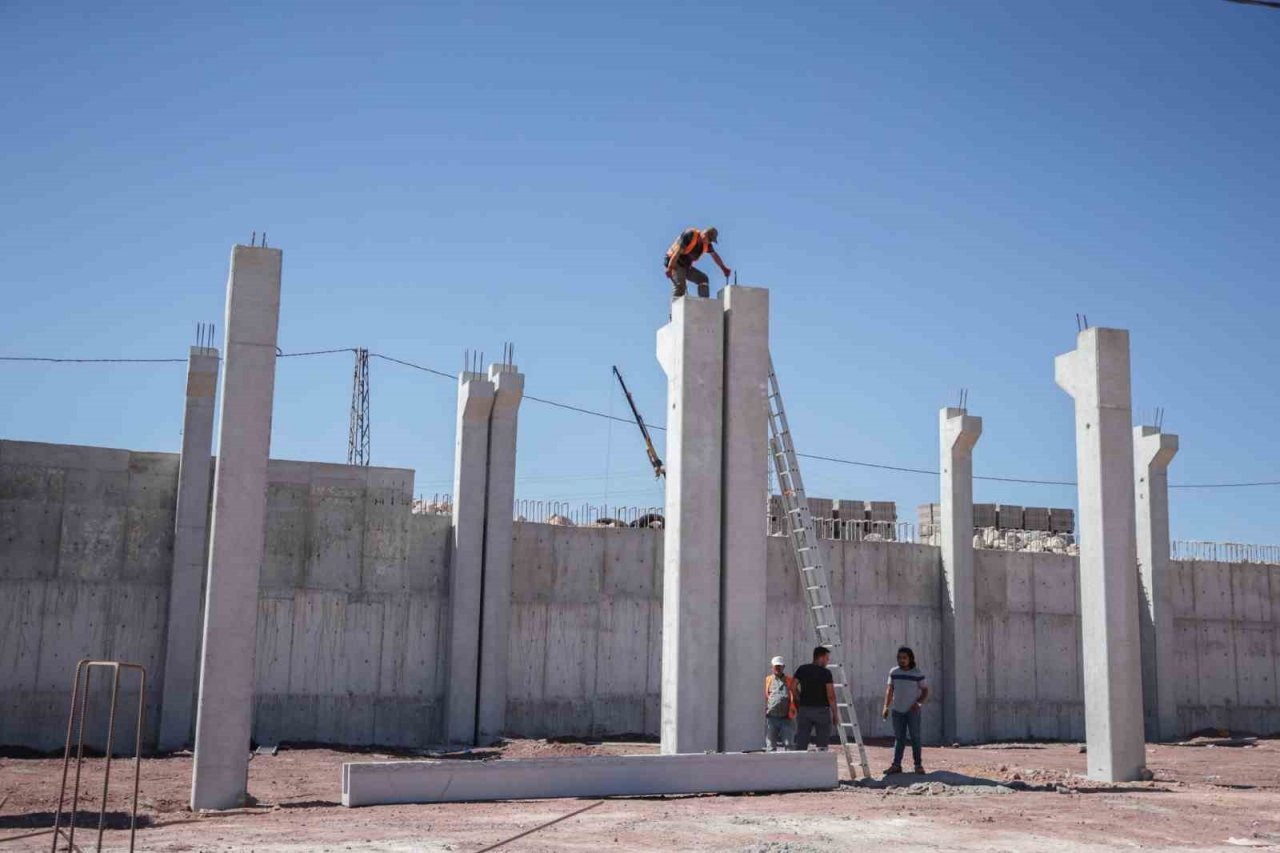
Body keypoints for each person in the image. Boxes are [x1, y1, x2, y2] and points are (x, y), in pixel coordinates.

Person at [881, 645, 929, 775]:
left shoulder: (917, 673)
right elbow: (890, 690)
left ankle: (918, 765)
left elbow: (925, 690)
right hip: (897, 710)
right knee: (899, 738)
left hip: (912, 711)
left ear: (910, 659)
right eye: (899, 658)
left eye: (904, 658)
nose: (901, 660)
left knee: (915, 737)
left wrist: (918, 703)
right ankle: (896, 765)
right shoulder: (894, 672)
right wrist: (886, 706)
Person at [664, 226, 731, 299]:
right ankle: (676, 308)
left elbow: (715, 256)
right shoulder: (690, 235)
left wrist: (724, 268)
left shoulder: (707, 245)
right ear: (705, 234)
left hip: (685, 266)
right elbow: (677, 252)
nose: (710, 242)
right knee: (680, 286)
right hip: (674, 261)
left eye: (711, 241)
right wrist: (670, 268)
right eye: (710, 240)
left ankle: (704, 304)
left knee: (703, 279)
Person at [792, 645, 837, 751]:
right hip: (821, 711)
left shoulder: (802, 669)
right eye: (826, 658)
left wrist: (799, 699)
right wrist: (835, 714)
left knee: (801, 741)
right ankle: (820, 766)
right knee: (822, 745)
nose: (828, 661)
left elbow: (792, 687)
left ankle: (799, 765)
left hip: (804, 710)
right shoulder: (826, 673)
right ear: (820, 657)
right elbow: (830, 696)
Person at [763, 655, 798, 751]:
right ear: (772, 667)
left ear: (783, 667)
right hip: (772, 718)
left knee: (789, 744)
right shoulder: (768, 680)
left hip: (786, 718)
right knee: (770, 745)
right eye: (776, 666)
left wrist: (795, 711)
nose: (778, 668)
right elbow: (766, 696)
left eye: (780, 666)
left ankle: (790, 765)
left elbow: (796, 696)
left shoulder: (790, 680)